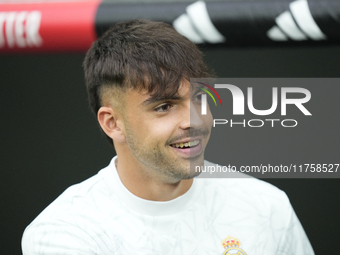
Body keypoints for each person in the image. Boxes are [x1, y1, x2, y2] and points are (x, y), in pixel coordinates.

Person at [22, 19, 314, 255]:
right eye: (164, 106)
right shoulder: (63, 232)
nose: (195, 121)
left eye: (200, 98)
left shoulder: (266, 206)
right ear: (112, 123)